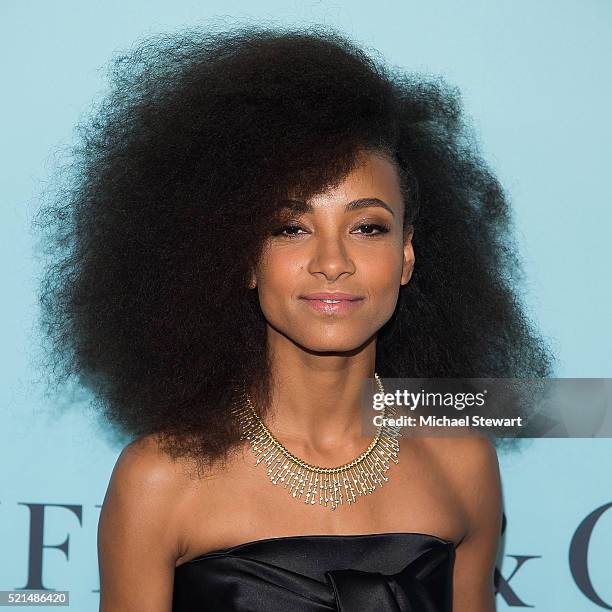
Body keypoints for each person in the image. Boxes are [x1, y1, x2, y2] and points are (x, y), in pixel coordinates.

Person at [35, 25, 554, 612]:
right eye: (291, 227)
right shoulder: (160, 479)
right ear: (244, 259)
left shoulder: (462, 463)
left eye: (367, 227)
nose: (332, 263)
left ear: (406, 256)